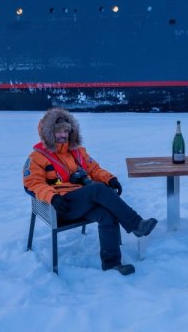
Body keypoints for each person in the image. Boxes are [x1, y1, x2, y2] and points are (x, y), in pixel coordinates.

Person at [23, 107, 157, 275]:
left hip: (81, 202)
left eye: (66, 130)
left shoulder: (78, 152)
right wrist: (52, 197)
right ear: (48, 132)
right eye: (58, 131)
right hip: (59, 207)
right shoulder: (37, 157)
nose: (63, 134)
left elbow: (94, 169)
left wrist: (110, 178)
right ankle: (136, 224)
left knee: (106, 214)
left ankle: (112, 264)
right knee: (98, 190)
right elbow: (32, 183)